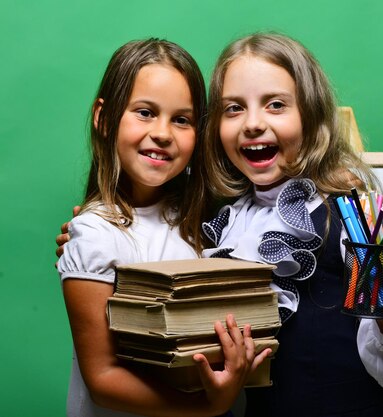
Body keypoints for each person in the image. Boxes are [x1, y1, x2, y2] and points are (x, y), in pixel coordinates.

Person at [199, 32, 383, 417]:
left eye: (275, 105)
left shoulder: (355, 218)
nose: (253, 123)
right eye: (234, 108)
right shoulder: (223, 223)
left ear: (311, 114)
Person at [56, 38, 270, 417]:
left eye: (182, 119)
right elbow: (104, 378)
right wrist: (207, 407)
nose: (163, 133)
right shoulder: (93, 232)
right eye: (145, 112)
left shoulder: (212, 223)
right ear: (104, 119)